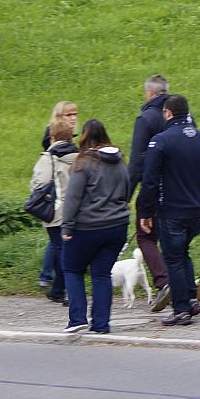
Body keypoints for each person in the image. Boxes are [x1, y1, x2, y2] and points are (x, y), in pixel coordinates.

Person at [140, 94, 200, 326]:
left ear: (167, 113)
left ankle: (181, 309)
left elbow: (149, 180)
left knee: (174, 258)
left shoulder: (160, 141)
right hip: (196, 211)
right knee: (183, 253)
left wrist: (145, 212)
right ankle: (190, 299)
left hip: (171, 211)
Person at [58, 119, 130, 334]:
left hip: (87, 227)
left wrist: (66, 227)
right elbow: (127, 191)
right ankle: (101, 323)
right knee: (101, 274)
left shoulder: (84, 163)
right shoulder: (120, 162)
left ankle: (77, 318)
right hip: (117, 226)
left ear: (85, 137)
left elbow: (72, 198)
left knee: (72, 268)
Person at [124, 75, 174, 308]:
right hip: (179, 188)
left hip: (152, 187)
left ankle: (164, 282)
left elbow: (136, 163)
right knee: (173, 237)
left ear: (150, 93)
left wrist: (126, 195)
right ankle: (185, 288)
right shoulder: (181, 116)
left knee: (145, 236)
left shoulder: (146, 119)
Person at [32, 102, 79, 302]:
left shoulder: (49, 158)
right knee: (64, 248)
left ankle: (64, 289)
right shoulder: (79, 156)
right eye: (70, 114)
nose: (74, 117)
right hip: (75, 209)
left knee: (60, 249)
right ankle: (58, 288)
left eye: (75, 114)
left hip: (56, 209)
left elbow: (39, 182)